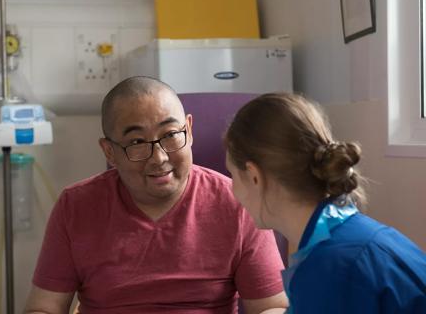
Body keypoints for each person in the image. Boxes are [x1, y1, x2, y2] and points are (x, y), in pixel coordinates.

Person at [24, 77, 288, 314]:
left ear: (189, 129)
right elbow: (44, 308)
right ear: (109, 152)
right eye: (137, 142)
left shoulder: (237, 203)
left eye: (171, 135)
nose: (159, 158)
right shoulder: (76, 207)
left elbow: (271, 306)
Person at [224, 93, 426, 313]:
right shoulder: (352, 235)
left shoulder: (329, 269)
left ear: (254, 177)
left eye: (232, 174)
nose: (232, 190)